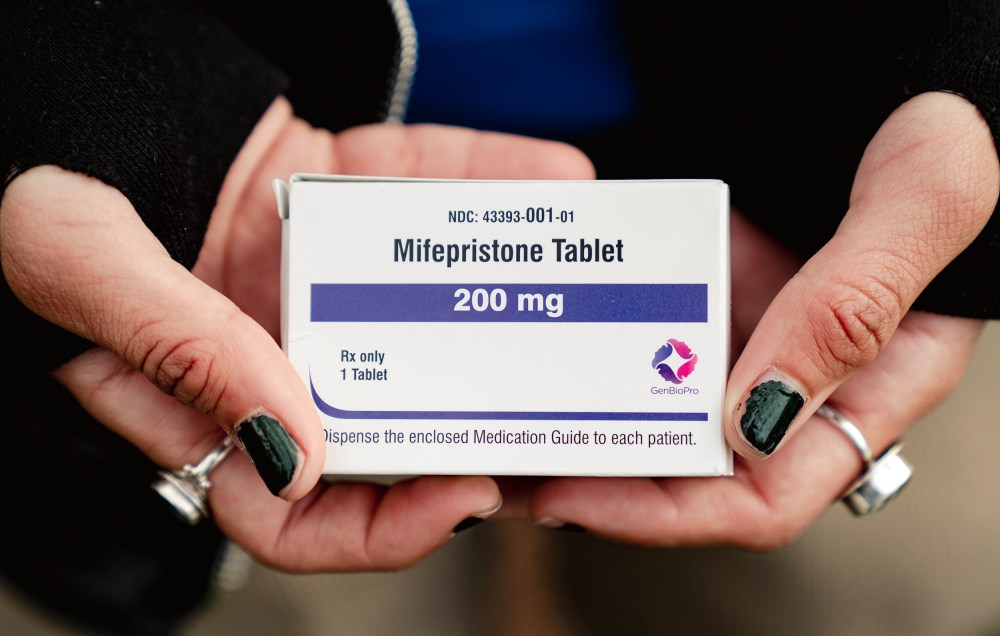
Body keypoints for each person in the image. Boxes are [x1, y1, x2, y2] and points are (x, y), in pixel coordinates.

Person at [1, 1, 997, 633]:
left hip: (806, 197)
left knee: (870, 600)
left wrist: (969, 72)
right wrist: (64, 101)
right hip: (213, 196)